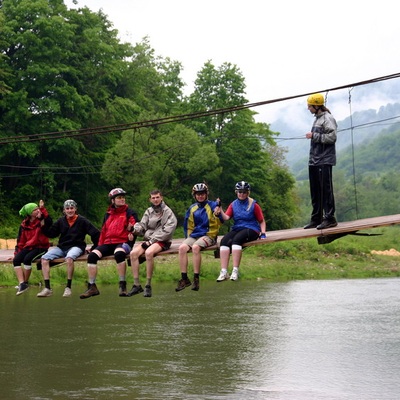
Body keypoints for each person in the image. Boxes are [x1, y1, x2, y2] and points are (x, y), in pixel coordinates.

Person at [79, 188, 138, 299]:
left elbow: (135, 225)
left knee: (119, 254)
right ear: (112, 200)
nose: (122, 199)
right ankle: (92, 287)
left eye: (123, 197)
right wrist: (96, 247)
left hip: (123, 242)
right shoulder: (108, 214)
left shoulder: (130, 212)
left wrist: (132, 231)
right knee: (91, 256)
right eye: (119, 197)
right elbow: (103, 232)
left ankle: (122, 284)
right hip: (108, 243)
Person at [37, 199, 100, 298]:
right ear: (64, 210)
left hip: (77, 246)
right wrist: (42, 223)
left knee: (69, 258)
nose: (70, 210)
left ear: (75, 209)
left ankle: (68, 287)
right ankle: (47, 288)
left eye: (72, 208)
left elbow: (96, 233)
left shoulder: (82, 221)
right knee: (44, 259)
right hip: (62, 247)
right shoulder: (61, 221)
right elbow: (51, 233)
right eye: (67, 208)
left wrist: (94, 248)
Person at [128, 189, 177, 298]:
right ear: (150, 199)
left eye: (157, 197)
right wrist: (133, 229)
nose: (155, 200)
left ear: (161, 198)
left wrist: (151, 241)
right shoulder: (149, 211)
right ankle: (136, 285)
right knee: (133, 254)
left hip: (162, 240)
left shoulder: (168, 212)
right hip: (148, 239)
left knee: (149, 253)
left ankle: (148, 285)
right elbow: (142, 226)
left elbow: (168, 231)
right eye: (153, 198)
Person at [175, 183, 223, 292]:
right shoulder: (192, 208)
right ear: (194, 195)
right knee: (182, 248)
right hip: (195, 235)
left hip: (209, 234)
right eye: (198, 194)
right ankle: (184, 279)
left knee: (196, 247)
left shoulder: (213, 205)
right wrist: (188, 240)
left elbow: (221, 221)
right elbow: (188, 226)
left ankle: (196, 279)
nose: (200, 196)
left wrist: (218, 213)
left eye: (202, 194)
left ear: (206, 194)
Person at [216, 181, 266, 282]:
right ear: (236, 192)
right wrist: (220, 209)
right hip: (238, 227)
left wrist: (263, 233)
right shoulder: (233, 204)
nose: (242, 194)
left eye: (244, 192)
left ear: (248, 193)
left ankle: (235, 270)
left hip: (251, 228)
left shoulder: (253, 204)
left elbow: (261, 220)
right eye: (240, 192)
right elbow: (226, 217)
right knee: (224, 242)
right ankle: (224, 271)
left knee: (236, 240)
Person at [304, 93, 338, 230]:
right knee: (315, 191)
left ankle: (330, 218)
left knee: (326, 190)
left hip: (324, 160)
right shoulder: (317, 118)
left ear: (316, 106)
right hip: (314, 160)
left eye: (309, 106)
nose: (308, 108)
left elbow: (332, 137)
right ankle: (316, 218)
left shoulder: (327, 118)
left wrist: (314, 136)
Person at [13, 202, 50, 296]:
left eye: (38, 208)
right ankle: (22, 283)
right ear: (30, 213)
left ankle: (25, 283)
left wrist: (42, 209)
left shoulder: (40, 221)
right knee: (16, 260)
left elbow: (48, 221)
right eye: (35, 209)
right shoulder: (24, 224)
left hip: (41, 247)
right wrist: (17, 253)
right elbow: (20, 241)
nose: (37, 210)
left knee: (27, 259)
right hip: (29, 246)